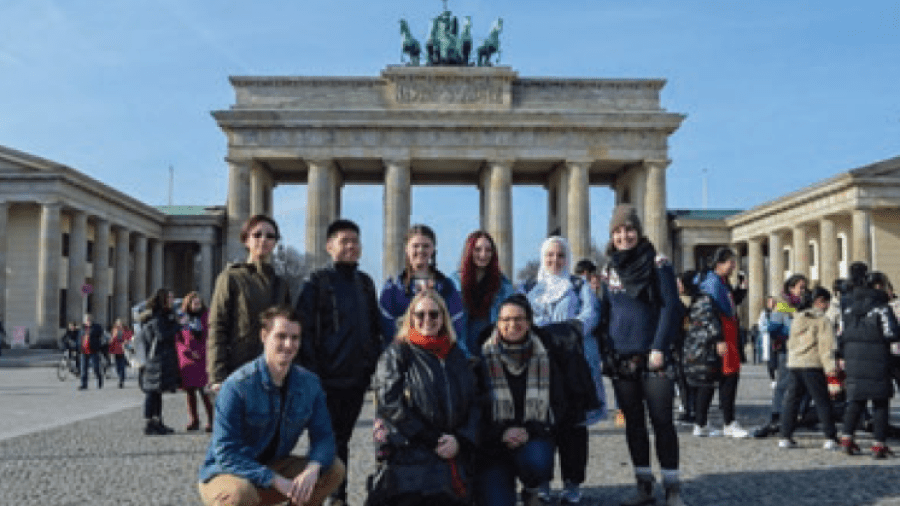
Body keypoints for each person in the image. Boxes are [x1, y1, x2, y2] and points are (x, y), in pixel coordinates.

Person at [198, 306, 345, 506]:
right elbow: (226, 453)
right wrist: (274, 479)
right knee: (239, 494)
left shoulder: (310, 384)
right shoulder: (237, 387)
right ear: (264, 336)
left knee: (333, 469)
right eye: (281, 336)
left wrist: (313, 468)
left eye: (295, 338)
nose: (288, 344)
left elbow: (324, 437)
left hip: (273, 466)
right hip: (226, 473)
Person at [597, 204, 684, 506]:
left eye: (629, 229)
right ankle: (643, 485)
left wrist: (659, 346)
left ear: (638, 231)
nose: (624, 235)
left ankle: (672, 487)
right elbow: (605, 313)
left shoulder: (659, 264)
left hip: (653, 355)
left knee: (662, 422)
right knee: (633, 423)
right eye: (618, 231)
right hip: (622, 357)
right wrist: (605, 349)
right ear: (612, 235)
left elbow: (670, 307)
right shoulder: (608, 269)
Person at [295, 219, 383, 506]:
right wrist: (312, 374)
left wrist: (371, 365)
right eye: (344, 241)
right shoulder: (316, 282)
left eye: (355, 241)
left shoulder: (366, 283)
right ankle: (321, 495)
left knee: (341, 440)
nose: (350, 247)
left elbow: (373, 328)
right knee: (324, 441)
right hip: (324, 378)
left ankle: (337, 496)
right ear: (329, 246)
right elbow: (303, 332)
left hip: (355, 379)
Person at [366, 289, 479, 506]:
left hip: (453, 452)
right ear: (411, 318)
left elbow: (474, 403)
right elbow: (391, 404)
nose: (427, 319)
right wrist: (431, 439)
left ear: (443, 318)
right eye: (420, 315)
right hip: (411, 455)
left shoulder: (456, 355)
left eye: (434, 314)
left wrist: (461, 440)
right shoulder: (396, 354)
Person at [524, 236, 602, 505]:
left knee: (573, 427)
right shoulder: (528, 288)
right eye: (550, 256)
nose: (555, 261)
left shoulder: (578, 286)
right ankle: (542, 480)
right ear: (542, 257)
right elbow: (522, 321)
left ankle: (572, 483)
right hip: (540, 365)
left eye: (560, 256)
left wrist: (558, 333)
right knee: (540, 425)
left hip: (572, 365)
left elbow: (590, 317)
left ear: (567, 258)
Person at [475, 294, 567, 506]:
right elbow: (475, 409)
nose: (512, 324)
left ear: (528, 323)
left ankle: (532, 488)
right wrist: (502, 433)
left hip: (532, 436)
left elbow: (559, 405)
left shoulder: (546, 355)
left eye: (518, 319)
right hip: (494, 442)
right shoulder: (481, 358)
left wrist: (528, 431)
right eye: (506, 319)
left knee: (537, 461)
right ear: (497, 323)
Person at [208, 214, 291, 393]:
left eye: (270, 236)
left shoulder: (281, 284)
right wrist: (217, 376)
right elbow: (217, 327)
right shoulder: (230, 278)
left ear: (275, 243)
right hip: (237, 370)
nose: (264, 239)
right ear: (246, 240)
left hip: (274, 371)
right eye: (257, 234)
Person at [838, 263, 900, 458]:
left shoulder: (848, 308)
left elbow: (841, 336)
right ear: (879, 287)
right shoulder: (881, 308)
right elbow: (892, 333)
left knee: (856, 400)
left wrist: (842, 356)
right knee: (880, 402)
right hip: (877, 359)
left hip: (854, 359)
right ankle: (878, 444)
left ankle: (847, 438)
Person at [379, 224, 466, 352]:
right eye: (415, 246)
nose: (420, 250)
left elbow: (456, 325)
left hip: (439, 355)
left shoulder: (447, 287)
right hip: (404, 356)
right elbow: (386, 327)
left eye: (426, 246)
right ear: (406, 249)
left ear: (433, 250)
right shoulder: (392, 288)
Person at [693, 248, 750, 438]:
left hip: (725, 334)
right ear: (719, 264)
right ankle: (729, 422)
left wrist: (741, 290)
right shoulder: (713, 284)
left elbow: (730, 303)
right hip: (722, 335)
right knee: (727, 379)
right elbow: (711, 313)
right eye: (730, 262)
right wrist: (718, 338)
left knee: (709, 380)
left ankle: (701, 423)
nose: (733, 266)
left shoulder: (721, 283)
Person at [778, 286, 839, 449]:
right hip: (813, 364)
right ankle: (830, 437)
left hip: (795, 364)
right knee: (822, 401)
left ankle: (785, 436)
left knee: (792, 401)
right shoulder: (822, 320)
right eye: (826, 303)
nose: (827, 307)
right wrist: (830, 370)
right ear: (819, 302)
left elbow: (790, 342)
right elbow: (826, 347)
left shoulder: (798, 317)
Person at [753, 274, 810, 438]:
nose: (803, 291)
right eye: (801, 287)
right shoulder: (783, 305)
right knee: (783, 384)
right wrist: (792, 330)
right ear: (791, 288)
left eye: (804, 287)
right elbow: (774, 327)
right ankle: (777, 416)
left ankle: (796, 414)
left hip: (801, 349)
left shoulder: (799, 305)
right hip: (786, 348)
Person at [451, 230, 516, 355]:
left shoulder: (503, 285)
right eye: (478, 249)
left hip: (494, 351)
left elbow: (511, 317)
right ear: (469, 251)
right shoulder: (453, 283)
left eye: (488, 250)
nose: (483, 254)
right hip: (461, 350)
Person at [135, 288, 182, 435]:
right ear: (163, 300)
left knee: (157, 392)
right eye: (170, 297)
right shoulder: (156, 317)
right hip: (155, 361)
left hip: (160, 360)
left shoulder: (163, 315)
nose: (172, 300)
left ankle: (158, 422)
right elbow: (162, 336)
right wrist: (177, 325)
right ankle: (150, 423)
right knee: (152, 392)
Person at [177, 291, 214, 432]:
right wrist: (187, 352)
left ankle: (211, 420)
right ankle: (194, 420)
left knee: (205, 392)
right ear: (189, 304)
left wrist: (204, 352)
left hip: (204, 359)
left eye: (199, 303)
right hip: (187, 360)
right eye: (194, 303)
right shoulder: (183, 317)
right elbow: (178, 339)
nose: (197, 305)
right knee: (190, 393)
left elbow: (211, 336)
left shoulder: (207, 315)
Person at [78, 313, 106, 390]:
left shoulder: (96, 327)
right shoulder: (82, 328)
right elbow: (80, 339)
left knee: (95, 367)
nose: (88, 321)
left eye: (89, 319)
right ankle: (84, 384)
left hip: (93, 350)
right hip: (84, 351)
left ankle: (99, 378)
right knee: (83, 369)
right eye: (86, 320)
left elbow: (100, 334)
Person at [108, 318, 132, 388]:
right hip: (116, 351)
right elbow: (112, 341)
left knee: (122, 366)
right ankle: (120, 377)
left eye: (120, 324)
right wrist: (110, 349)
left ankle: (121, 380)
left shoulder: (126, 331)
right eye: (118, 324)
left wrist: (126, 341)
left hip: (123, 350)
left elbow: (130, 338)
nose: (119, 325)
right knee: (117, 366)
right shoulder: (114, 330)